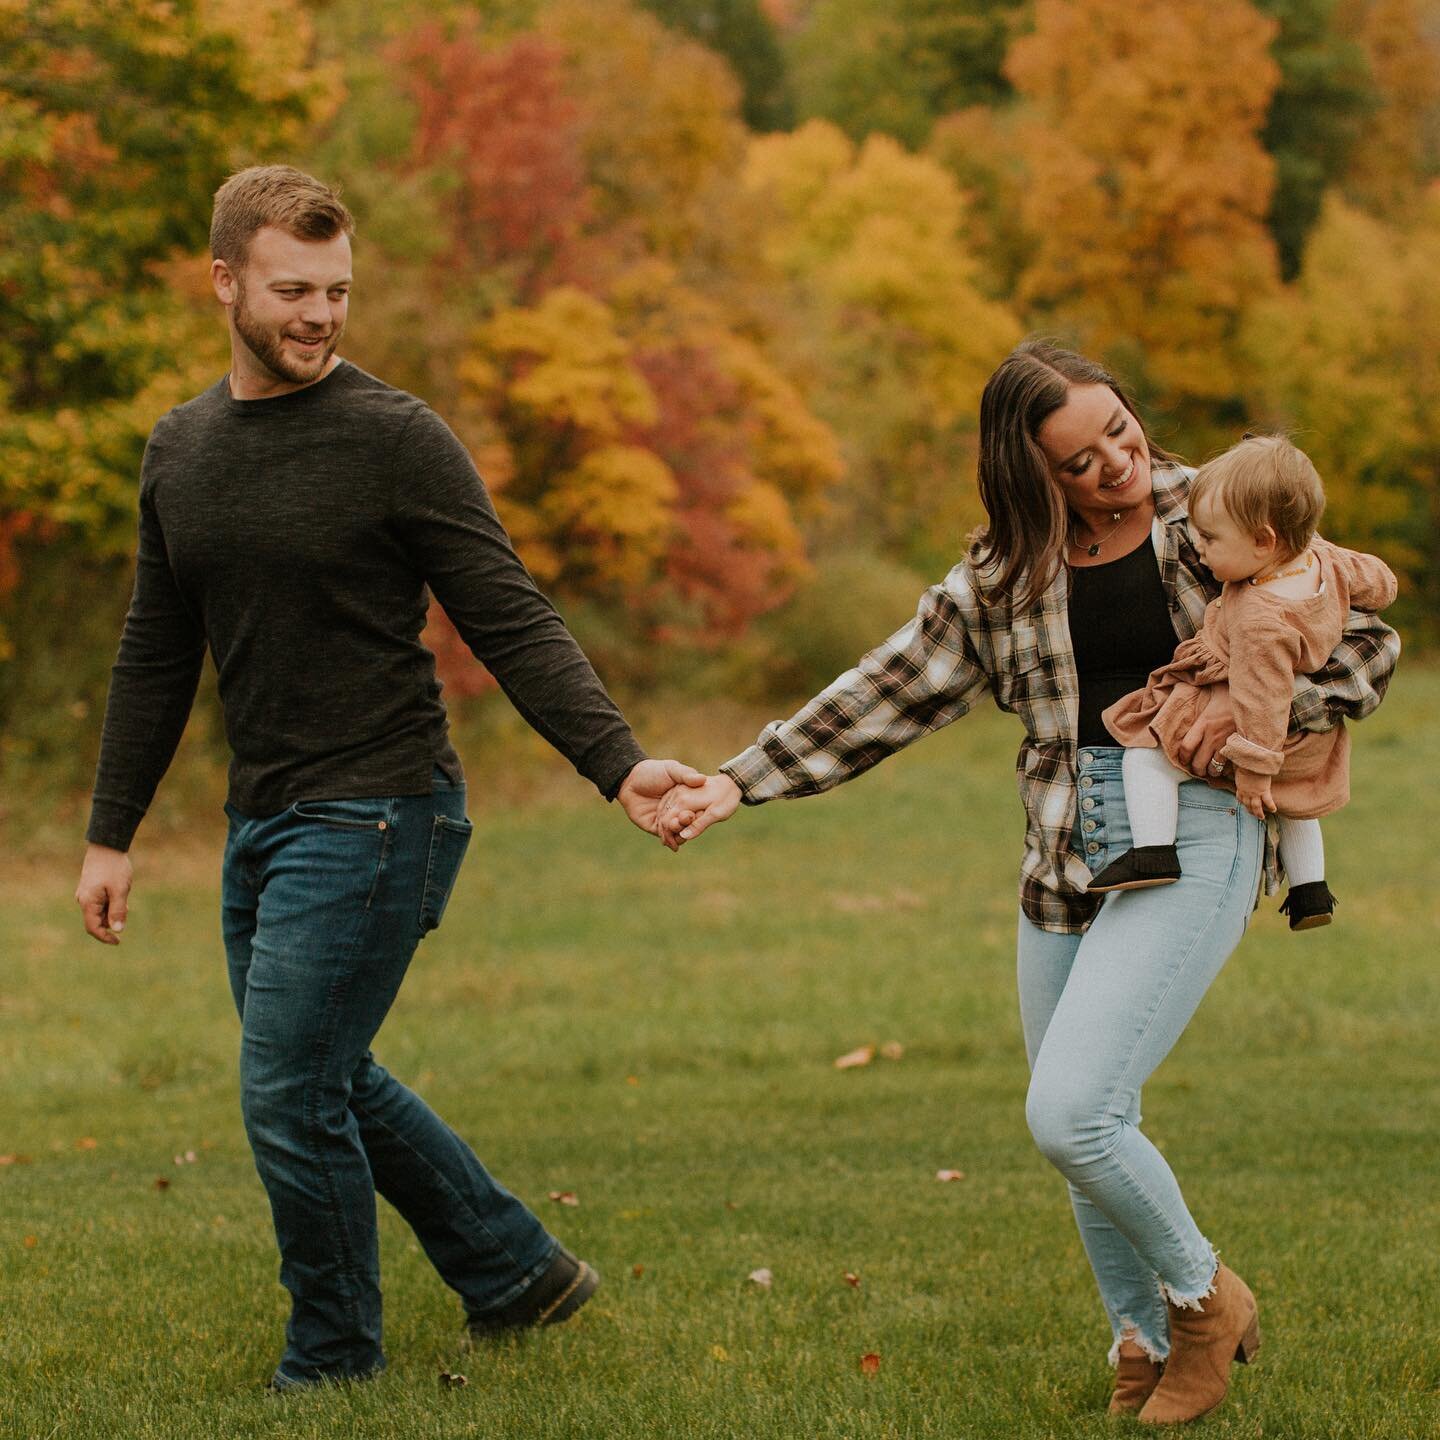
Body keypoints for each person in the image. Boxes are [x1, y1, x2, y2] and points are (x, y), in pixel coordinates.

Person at [660, 341, 1399, 1424]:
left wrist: (1245, 713)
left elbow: (1366, 645)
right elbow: (887, 691)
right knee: (1093, 1127)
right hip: (1066, 848)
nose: (1117, 462)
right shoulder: (1000, 578)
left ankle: (1206, 1300)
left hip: (1197, 827)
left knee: (1072, 1112)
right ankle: (1140, 1343)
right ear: (1031, 476)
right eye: (1081, 458)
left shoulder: (1217, 510)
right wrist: (736, 783)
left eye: (1120, 431)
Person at [74, 165, 702, 1391]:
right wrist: (111, 831)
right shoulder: (182, 450)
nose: (320, 313)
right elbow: (157, 648)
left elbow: (508, 614)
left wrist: (616, 763)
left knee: (288, 1086)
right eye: (293, 290)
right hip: (262, 814)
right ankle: (515, 1271)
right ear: (224, 284)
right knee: (324, 1073)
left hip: (380, 805)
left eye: (338, 291)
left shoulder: (396, 439)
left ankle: (333, 1360)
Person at [1090, 434, 1397, 931]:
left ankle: (1152, 852)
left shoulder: (1258, 617)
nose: (1199, 546)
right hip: (1309, 739)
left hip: (1261, 732)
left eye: (1211, 539)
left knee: (1145, 756)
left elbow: (1260, 697)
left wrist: (1253, 767)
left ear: (1263, 541)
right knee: (1294, 798)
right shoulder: (1325, 560)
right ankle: (1311, 889)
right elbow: (1380, 582)